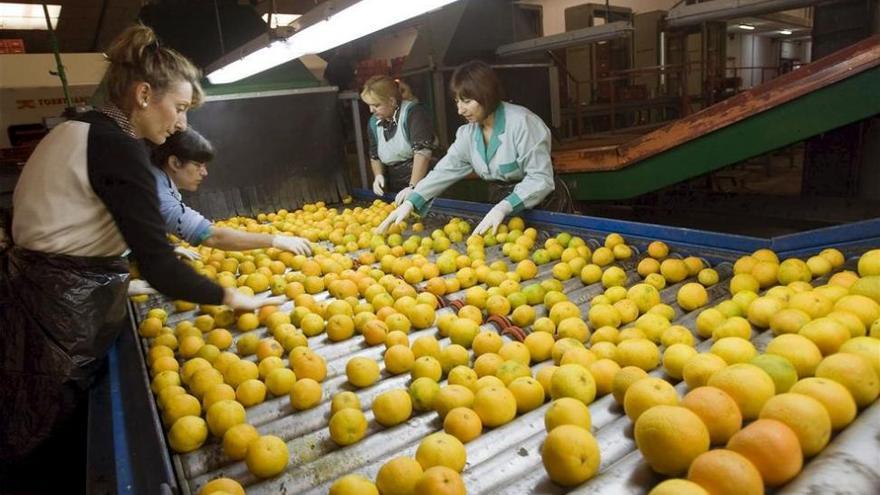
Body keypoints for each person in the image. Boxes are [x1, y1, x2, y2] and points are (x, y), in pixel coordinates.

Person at [0, 24, 280, 469]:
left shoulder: (79, 128)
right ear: (144, 94)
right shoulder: (117, 147)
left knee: (26, 414)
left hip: (36, 291)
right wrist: (229, 296)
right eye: (180, 107)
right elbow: (159, 266)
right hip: (57, 312)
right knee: (45, 431)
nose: (181, 123)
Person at [377, 61, 571, 236]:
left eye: (467, 101)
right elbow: (445, 170)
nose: (460, 110)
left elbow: (540, 179)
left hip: (545, 208)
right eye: (457, 101)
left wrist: (504, 207)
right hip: (505, 210)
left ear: (486, 95)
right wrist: (414, 199)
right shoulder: (468, 134)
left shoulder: (523, 124)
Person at [148, 127, 311, 256]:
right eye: (198, 166)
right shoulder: (157, 193)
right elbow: (213, 237)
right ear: (175, 163)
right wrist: (276, 240)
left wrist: (165, 248)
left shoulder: (156, 177)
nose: (204, 173)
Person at [361, 75, 438, 205]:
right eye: (369, 105)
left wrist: (414, 186)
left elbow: (422, 153)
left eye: (376, 105)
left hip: (426, 184)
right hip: (395, 187)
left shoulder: (413, 113)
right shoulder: (374, 122)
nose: (371, 110)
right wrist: (378, 175)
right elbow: (374, 155)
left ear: (391, 101)